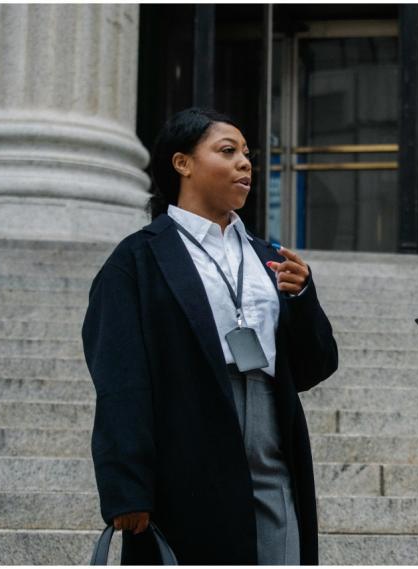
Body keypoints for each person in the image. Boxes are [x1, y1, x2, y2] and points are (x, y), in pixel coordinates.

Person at [82, 107, 338, 564]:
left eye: (247, 154)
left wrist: (302, 298)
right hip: (186, 433)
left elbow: (315, 366)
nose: (246, 163)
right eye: (228, 151)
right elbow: (119, 378)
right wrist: (126, 486)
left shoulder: (269, 257)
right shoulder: (138, 259)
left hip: (271, 432)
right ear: (182, 163)